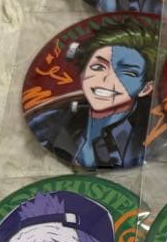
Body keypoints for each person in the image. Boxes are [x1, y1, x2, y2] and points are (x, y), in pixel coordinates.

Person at [27, 19, 159, 168]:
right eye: (98, 67)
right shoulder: (50, 122)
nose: (105, 79)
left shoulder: (152, 133)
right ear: (83, 74)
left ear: (145, 88)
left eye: (127, 72)